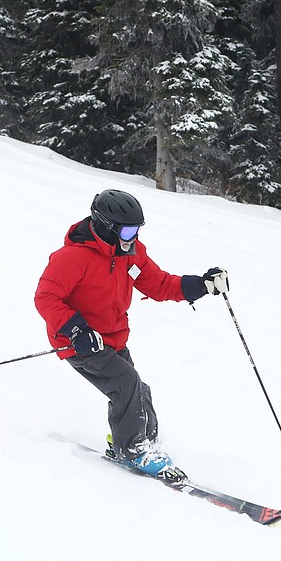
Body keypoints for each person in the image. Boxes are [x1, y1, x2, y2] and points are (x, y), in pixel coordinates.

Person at [34, 189, 228, 477]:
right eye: (127, 230)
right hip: (81, 341)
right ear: (105, 226)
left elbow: (158, 283)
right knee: (127, 383)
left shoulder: (131, 254)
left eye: (136, 230)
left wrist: (200, 285)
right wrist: (76, 329)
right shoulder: (72, 258)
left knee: (137, 390)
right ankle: (133, 449)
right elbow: (46, 297)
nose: (132, 237)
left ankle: (139, 442)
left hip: (113, 338)